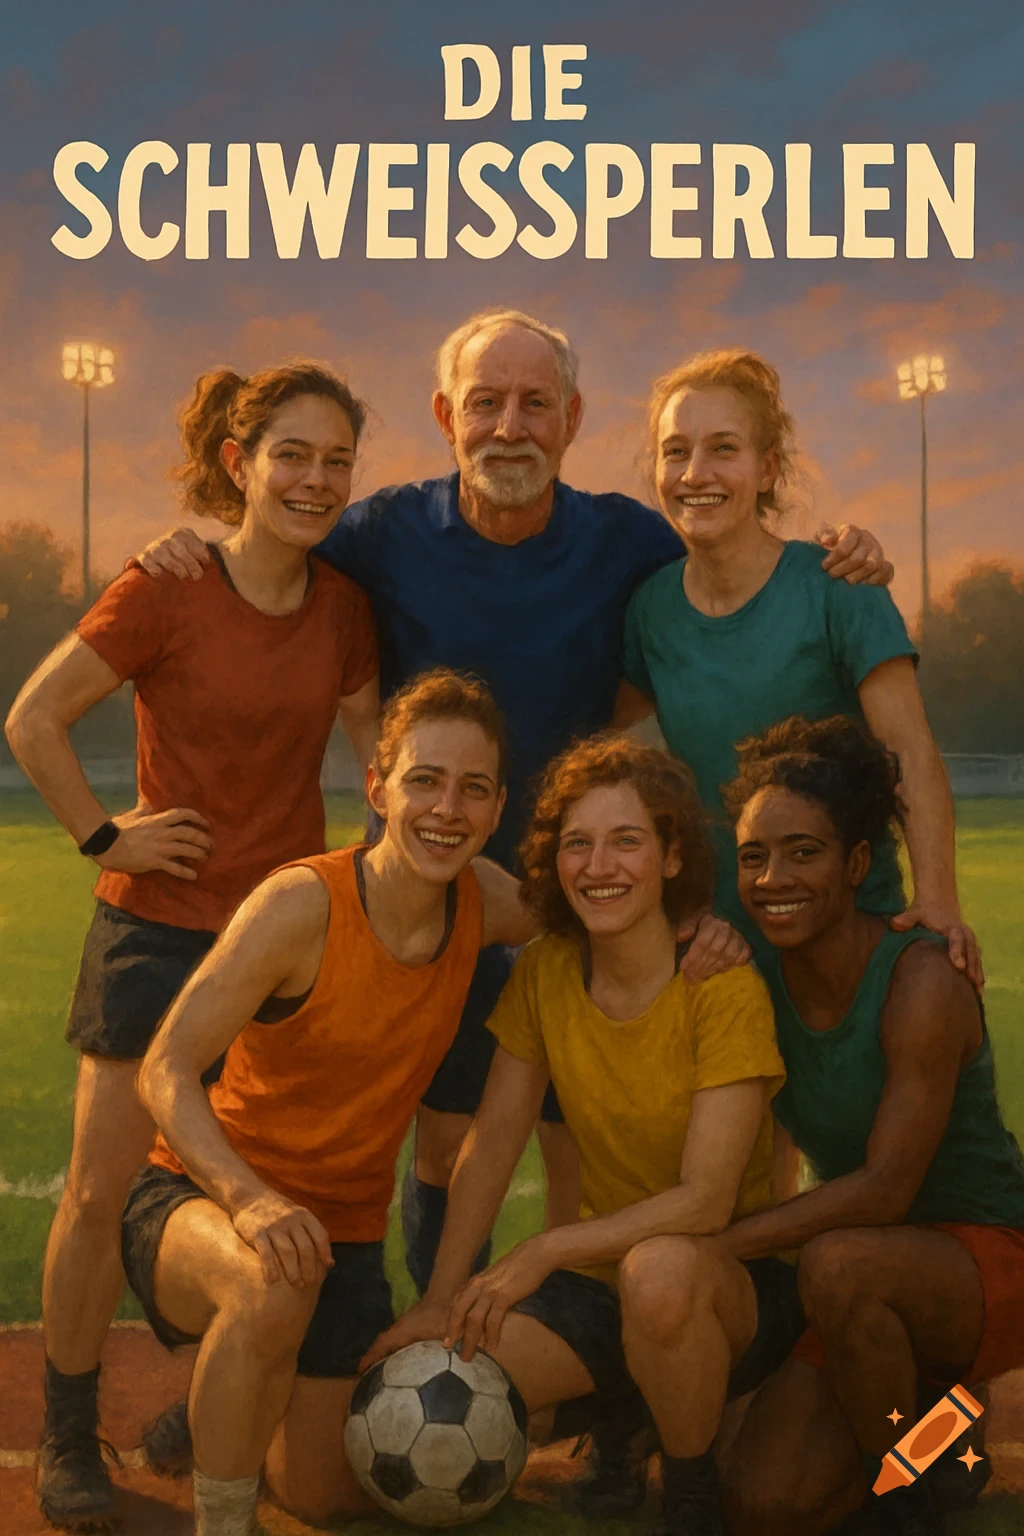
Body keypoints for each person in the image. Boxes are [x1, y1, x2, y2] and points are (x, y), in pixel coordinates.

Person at [132, 310, 892, 1297]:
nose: (510, 426)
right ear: (447, 414)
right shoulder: (383, 533)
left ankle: (592, 1377)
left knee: (588, 1149)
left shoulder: (625, 538)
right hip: (437, 894)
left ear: (571, 418)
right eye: (485, 402)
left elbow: (732, 536)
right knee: (447, 1142)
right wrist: (184, 547)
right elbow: (273, 544)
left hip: (586, 891)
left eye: (536, 404)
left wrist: (843, 550)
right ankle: (438, 1345)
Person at [4, 361, 380, 1532]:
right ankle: (73, 1441)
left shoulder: (345, 609)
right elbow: (34, 716)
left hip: (279, 950)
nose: (315, 481)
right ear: (240, 462)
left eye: (335, 462)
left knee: (274, 1198)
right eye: (292, 456)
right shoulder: (165, 585)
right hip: (155, 934)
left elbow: (379, 762)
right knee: (102, 1193)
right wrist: (107, 831)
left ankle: (193, 1418)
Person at [120, 669, 538, 1535]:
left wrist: (704, 931)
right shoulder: (301, 904)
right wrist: (250, 1198)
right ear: (378, 786)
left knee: (323, 1494)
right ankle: (221, 1518)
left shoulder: (486, 903)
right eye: (424, 779)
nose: (446, 809)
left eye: (473, 789)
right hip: (203, 1204)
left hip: (340, 1236)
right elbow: (164, 1066)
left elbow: (603, 916)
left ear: (498, 810)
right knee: (269, 1285)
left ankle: (233, 1392)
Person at [362, 734, 804, 1536]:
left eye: (626, 841)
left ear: (671, 858)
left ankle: (692, 1489)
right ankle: (627, 1411)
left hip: (722, 1283)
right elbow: (493, 1139)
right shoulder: (547, 971)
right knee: (441, 1378)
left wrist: (541, 1250)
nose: (600, 866)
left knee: (660, 1276)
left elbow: (705, 1203)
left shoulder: (722, 986)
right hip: (601, 1281)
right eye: (578, 844)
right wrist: (438, 1299)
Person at [715, 716, 1024, 1536]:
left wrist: (723, 1239)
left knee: (841, 1264)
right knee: (764, 1501)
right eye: (754, 856)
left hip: (982, 1255)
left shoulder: (920, 977)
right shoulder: (756, 982)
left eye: (804, 851)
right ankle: (946, 1427)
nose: (774, 876)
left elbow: (887, 1190)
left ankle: (904, 1496)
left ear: (857, 864)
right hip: (862, 1272)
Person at [616, 348, 981, 988]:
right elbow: (613, 750)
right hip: (721, 951)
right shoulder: (649, 611)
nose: (695, 472)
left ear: (767, 468)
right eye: (676, 451)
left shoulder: (841, 587)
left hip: (850, 937)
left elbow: (912, 756)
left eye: (724, 448)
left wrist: (939, 901)